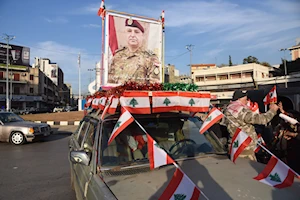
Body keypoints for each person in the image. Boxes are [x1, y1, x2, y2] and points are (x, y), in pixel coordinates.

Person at [223, 90, 279, 161]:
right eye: (245, 100)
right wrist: (272, 111)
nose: (247, 102)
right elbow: (262, 119)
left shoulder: (228, 109)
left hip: (235, 147)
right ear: (239, 99)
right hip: (245, 149)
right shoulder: (241, 110)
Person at [108, 18, 160, 84]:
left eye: (136, 32)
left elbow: (154, 85)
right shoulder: (117, 56)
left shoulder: (150, 58)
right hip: (118, 93)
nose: (132, 35)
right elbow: (110, 82)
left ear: (142, 36)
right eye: (129, 31)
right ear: (125, 34)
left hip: (138, 94)